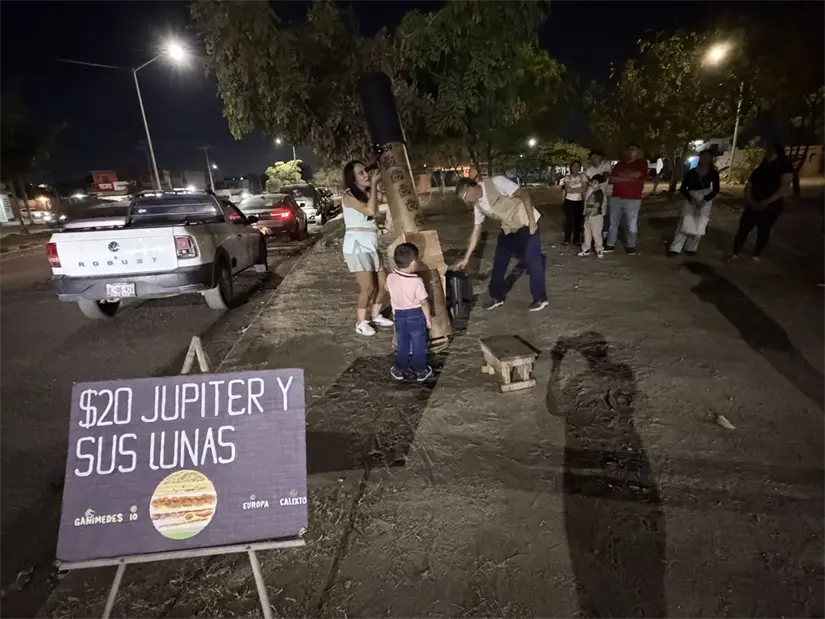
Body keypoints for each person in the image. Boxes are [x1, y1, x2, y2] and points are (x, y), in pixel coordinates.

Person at [454, 175, 548, 312]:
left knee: (532, 259)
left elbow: (525, 195)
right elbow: (476, 230)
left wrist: (532, 222)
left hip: (526, 222)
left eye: (465, 197)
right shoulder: (478, 205)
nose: (466, 202)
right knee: (500, 261)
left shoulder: (496, 182)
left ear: (471, 187)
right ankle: (497, 296)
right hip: (509, 227)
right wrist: (466, 258)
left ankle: (540, 298)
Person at [341, 160, 394, 336]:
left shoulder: (368, 192)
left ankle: (375, 314)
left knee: (384, 284)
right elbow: (370, 211)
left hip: (371, 244)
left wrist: (385, 179)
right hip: (357, 246)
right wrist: (373, 183)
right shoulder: (349, 196)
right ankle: (360, 322)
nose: (366, 175)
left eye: (366, 171)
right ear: (352, 179)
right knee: (368, 287)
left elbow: (390, 200)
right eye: (361, 173)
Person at [730, 144, 795, 263]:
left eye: (771, 150)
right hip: (753, 203)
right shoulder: (760, 168)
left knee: (764, 230)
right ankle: (735, 253)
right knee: (744, 228)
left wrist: (766, 202)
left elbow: (783, 188)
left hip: (771, 206)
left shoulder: (785, 167)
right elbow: (750, 185)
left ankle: (755, 255)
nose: (768, 152)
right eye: (767, 150)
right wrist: (750, 200)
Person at [386, 243, 433, 381]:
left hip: (399, 315)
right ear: (413, 263)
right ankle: (420, 370)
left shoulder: (391, 277)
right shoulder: (416, 281)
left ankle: (399, 368)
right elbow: (424, 302)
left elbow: (388, 289)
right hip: (416, 315)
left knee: (403, 344)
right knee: (418, 345)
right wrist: (428, 319)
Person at [668, 150, 720, 257]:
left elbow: (716, 189)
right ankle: (675, 248)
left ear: (711, 159)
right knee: (685, 222)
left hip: (705, 198)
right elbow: (683, 188)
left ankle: (691, 247)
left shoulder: (714, 173)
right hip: (691, 197)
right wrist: (690, 198)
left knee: (700, 223)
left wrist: (706, 199)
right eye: (702, 156)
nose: (704, 159)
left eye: (707, 157)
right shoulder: (692, 172)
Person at [605, 142, 648, 254]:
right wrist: (628, 178)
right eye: (629, 149)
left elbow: (636, 176)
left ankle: (630, 245)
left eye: (634, 149)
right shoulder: (619, 164)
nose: (631, 151)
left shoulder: (642, 163)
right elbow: (612, 179)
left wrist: (621, 177)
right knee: (613, 223)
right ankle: (610, 244)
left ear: (638, 152)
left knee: (631, 223)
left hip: (633, 198)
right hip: (616, 197)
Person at [584, 150, 612, 238]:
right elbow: (587, 183)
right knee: (592, 217)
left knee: (603, 216)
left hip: (603, 196)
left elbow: (605, 176)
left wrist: (595, 180)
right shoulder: (589, 171)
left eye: (596, 157)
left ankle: (603, 237)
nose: (594, 160)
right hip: (592, 197)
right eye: (592, 158)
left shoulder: (605, 166)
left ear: (600, 157)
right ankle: (593, 238)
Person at [561, 160, 589, 246]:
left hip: (579, 201)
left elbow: (585, 188)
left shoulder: (583, 176)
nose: (575, 168)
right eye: (574, 166)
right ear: (571, 167)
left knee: (578, 221)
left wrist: (572, 190)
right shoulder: (567, 178)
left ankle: (576, 239)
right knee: (568, 221)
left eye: (577, 166)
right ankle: (567, 239)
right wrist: (578, 189)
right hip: (569, 201)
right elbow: (567, 189)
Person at [578, 174, 606, 258]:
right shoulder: (591, 192)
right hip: (589, 216)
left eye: (595, 182)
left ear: (600, 184)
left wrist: (589, 215)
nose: (592, 184)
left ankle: (599, 250)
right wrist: (586, 215)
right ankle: (586, 249)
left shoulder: (599, 193)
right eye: (592, 182)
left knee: (596, 234)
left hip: (596, 217)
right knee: (587, 233)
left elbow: (596, 205)